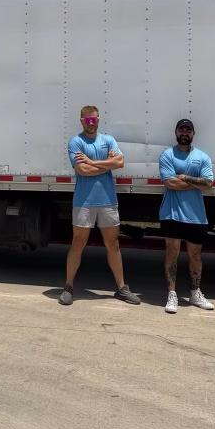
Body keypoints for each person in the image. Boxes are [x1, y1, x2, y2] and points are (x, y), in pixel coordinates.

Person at [59, 105, 140, 306]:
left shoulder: (108, 140)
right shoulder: (75, 142)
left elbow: (120, 162)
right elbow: (83, 170)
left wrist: (93, 162)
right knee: (78, 243)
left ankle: (121, 289)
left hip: (108, 201)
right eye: (87, 120)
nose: (91, 123)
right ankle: (68, 288)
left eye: (94, 119)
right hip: (84, 202)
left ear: (98, 119)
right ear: (81, 121)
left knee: (113, 245)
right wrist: (106, 163)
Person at [159, 118, 215, 314]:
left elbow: (208, 183)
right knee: (172, 253)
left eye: (188, 130)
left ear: (193, 134)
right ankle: (172, 294)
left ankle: (194, 292)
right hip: (171, 213)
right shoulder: (167, 155)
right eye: (181, 130)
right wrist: (196, 182)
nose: (184, 133)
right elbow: (170, 183)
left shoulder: (203, 157)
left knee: (195, 256)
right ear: (176, 133)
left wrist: (185, 177)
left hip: (196, 216)